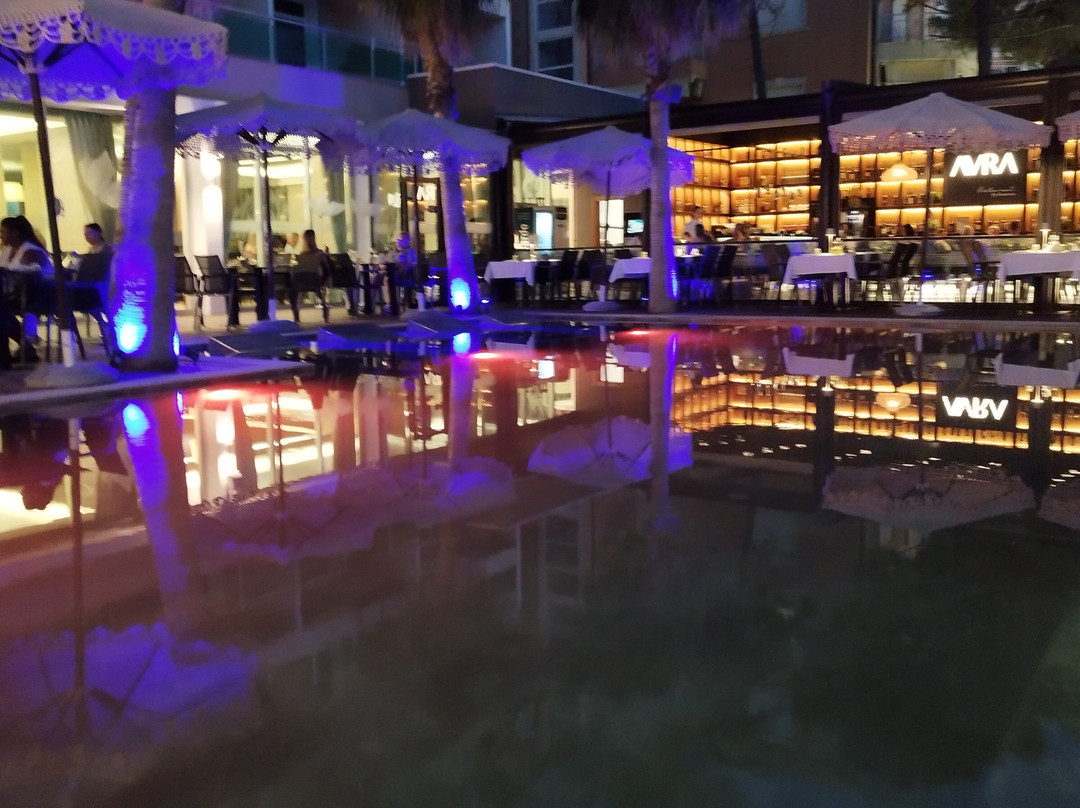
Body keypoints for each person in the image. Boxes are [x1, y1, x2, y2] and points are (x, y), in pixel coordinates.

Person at [0, 215, 53, 362]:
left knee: (2, 311)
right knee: (2, 311)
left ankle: (20, 350)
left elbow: (24, 276)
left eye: (3, 232)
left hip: (38, 295)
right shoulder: (8, 250)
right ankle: (24, 348)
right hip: (16, 295)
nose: (1, 236)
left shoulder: (31, 251)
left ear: (15, 233)